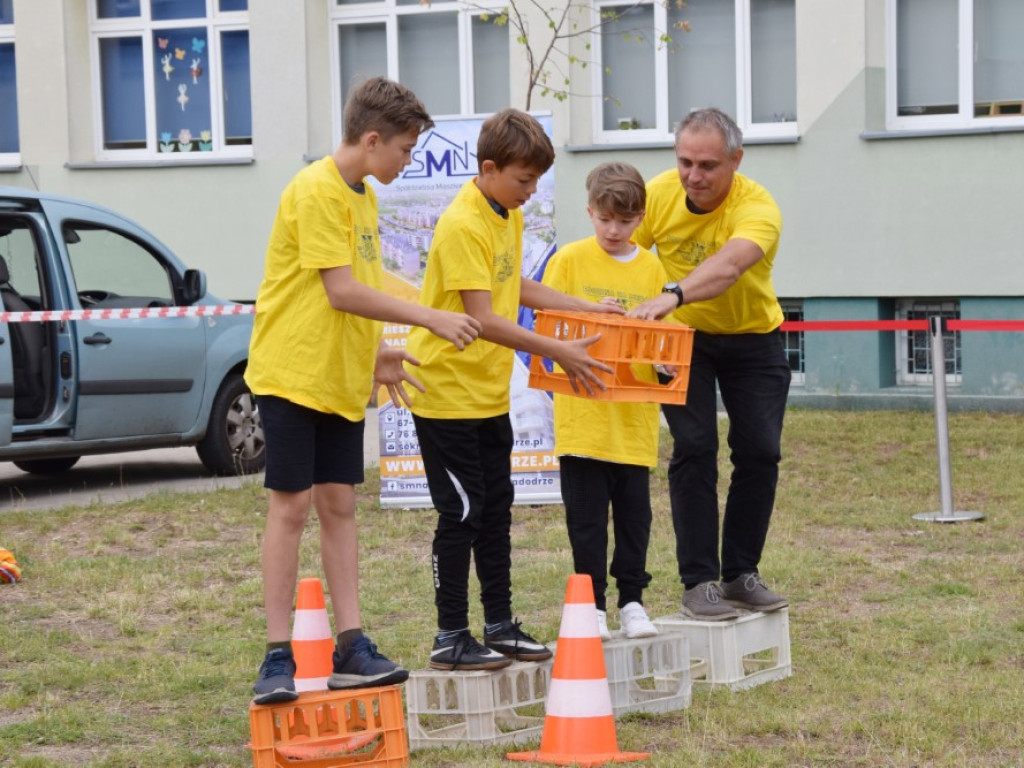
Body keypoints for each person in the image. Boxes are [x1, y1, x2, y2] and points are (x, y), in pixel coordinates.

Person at [246, 76, 482, 705]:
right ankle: (277, 654)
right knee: (291, 508)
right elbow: (340, 291)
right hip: (294, 374)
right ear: (372, 139)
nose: (408, 161)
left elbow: (358, 291)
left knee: (340, 507)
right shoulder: (316, 190)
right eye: (405, 150)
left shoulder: (364, 198)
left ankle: (351, 644)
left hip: (342, 379)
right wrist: (431, 317)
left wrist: (376, 354)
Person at [405, 109, 623, 671]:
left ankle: (499, 624)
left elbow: (514, 285)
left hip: (485, 393)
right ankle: (450, 634)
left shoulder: (506, 213)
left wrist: (582, 306)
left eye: (537, 182)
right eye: (524, 181)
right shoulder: (462, 224)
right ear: (489, 168)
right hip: (445, 394)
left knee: (497, 507)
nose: (531, 192)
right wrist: (558, 350)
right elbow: (484, 318)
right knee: (462, 512)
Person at [629, 107, 791, 621]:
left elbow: (729, 267)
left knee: (760, 453)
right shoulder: (656, 195)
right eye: (684, 162)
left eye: (707, 165)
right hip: (682, 341)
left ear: (735, 161)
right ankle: (699, 582)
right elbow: (621, 255)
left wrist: (673, 292)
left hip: (753, 340)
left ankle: (742, 573)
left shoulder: (758, 205)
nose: (693, 177)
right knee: (694, 447)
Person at [541, 162, 667, 641]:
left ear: (640, 219)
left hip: (634, 419)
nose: (615, 230)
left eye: (626, 221)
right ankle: (591, 606)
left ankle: (632, 601)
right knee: (587, 520)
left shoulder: (652, 266)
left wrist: (664, 364)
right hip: (583, 416)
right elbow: (547, 326)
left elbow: (659, 340)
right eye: (605, 219)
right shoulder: (569, 260)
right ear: (590, 212)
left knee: (636, 517)